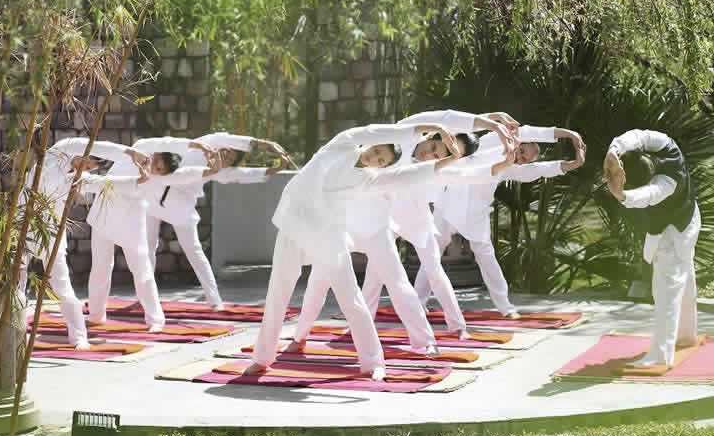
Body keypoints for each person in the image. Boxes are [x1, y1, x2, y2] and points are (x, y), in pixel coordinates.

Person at [244, 122, 465, 380]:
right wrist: (425, 127)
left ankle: (372, 362)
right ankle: (262, 358)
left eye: (381, 160)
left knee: (351, 298)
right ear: (372, 144)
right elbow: (374, 130)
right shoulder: (342, 144)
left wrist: (446, 162)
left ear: (381, 167)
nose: (375, 158)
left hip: (328, 234)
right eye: (377, 151)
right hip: (293, 224)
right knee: (277, 294)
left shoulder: (370, 180)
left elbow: (404, 176)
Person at [361, 110, 517, 338]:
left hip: (417, 219)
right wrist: (491, 120)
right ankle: (362, 323)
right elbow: (444, 117)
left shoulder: (441, 168)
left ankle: (458, 326)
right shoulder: (406, 135)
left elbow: (467, 175)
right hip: (388, 215)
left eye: (438, 156)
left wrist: (500, 167)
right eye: (433, 148)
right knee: (375, 271)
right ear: (433, 136)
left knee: (434, 270)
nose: (429, 155)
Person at [423, 123, 587, 316]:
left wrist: (572, 165)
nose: (521, 157)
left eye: (524, 159)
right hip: (449, 203)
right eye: (523, 150)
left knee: (487, 257)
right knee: (432, 252)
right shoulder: (495, 139)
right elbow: (531, 131)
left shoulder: (510, 167)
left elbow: (536, 170)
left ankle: (505, 307)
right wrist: (571, 134)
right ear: (519, 141)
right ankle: (418, 301)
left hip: (476, 215)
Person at [18, 137, 150, 349]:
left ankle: (79, 337)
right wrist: (129, 153)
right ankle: (17, 336)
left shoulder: (77, 179)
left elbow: (103, 184)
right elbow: (96, 145)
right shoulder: (59, 152)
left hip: (50, 234)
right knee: (18, 287)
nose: (84, 168)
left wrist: (136, 183)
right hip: (22, 226)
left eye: (89, 168)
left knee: (63, 288)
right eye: (86, 162)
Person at [142, 132, 290, 310]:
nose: (226, 157)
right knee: (147, 247)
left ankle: (214, 301)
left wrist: (276, 168)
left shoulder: (218, 171)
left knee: (195, 253)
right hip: (151, 199)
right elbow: (227, 138)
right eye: (227, 152)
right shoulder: (207, 143)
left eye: (230, 159)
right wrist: (267, 143)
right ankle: (146, 296)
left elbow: (242, 174)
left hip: (180, 208)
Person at [85, 137, 219, 332]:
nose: (155, 167)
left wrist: (207, 163)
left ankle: (155, 319)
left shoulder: (157, 177)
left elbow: (188, 170)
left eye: (159, 169)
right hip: (103, 214)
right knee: (100, 266)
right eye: (156, 162)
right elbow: (166, 142)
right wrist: (196, 145)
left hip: (130, 221)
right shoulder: (140, 149)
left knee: (142, 271)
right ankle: (96, 315)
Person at [603, 129, 700, 366]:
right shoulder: (667, 146)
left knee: (665, 291)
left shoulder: (665, 184)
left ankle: (660, 355)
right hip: (688, 219)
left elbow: (645, 196)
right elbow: (639, 135)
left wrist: (620, 194)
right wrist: (615, 149)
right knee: (685, 279)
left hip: (673, 234)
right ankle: (686, 336)